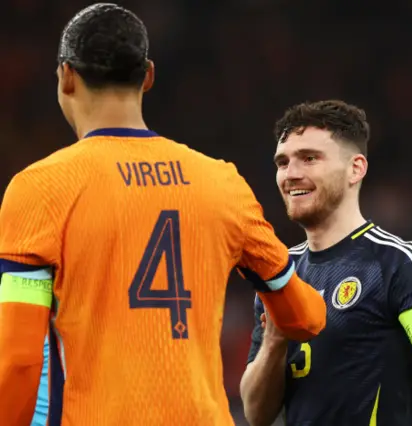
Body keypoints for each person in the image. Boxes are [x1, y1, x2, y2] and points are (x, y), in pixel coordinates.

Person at [0, 4, 326, 425]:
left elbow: (19, 362)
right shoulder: (221, 183)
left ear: (66, 76)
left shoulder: (41, 187)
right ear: (148, 76)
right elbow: (306, 317)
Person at [240, 100, 412, 425]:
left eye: (309, 158)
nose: (291, 174)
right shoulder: (279, 276)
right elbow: (256, 415)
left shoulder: (398, 265)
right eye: (283, 162)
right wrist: (275, 340)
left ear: (356, 168)